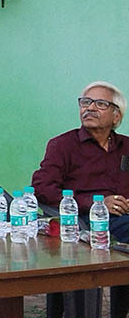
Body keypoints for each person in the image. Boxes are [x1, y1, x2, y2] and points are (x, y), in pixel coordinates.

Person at [32, 81, 129, 240]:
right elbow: (42, 188)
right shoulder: (63, 145)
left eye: (100, 104)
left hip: (123, 217)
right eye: (85, 102)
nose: (90, 108)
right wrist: (96, 203)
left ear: (116, 116)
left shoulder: (126, 146)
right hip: (86, 220)